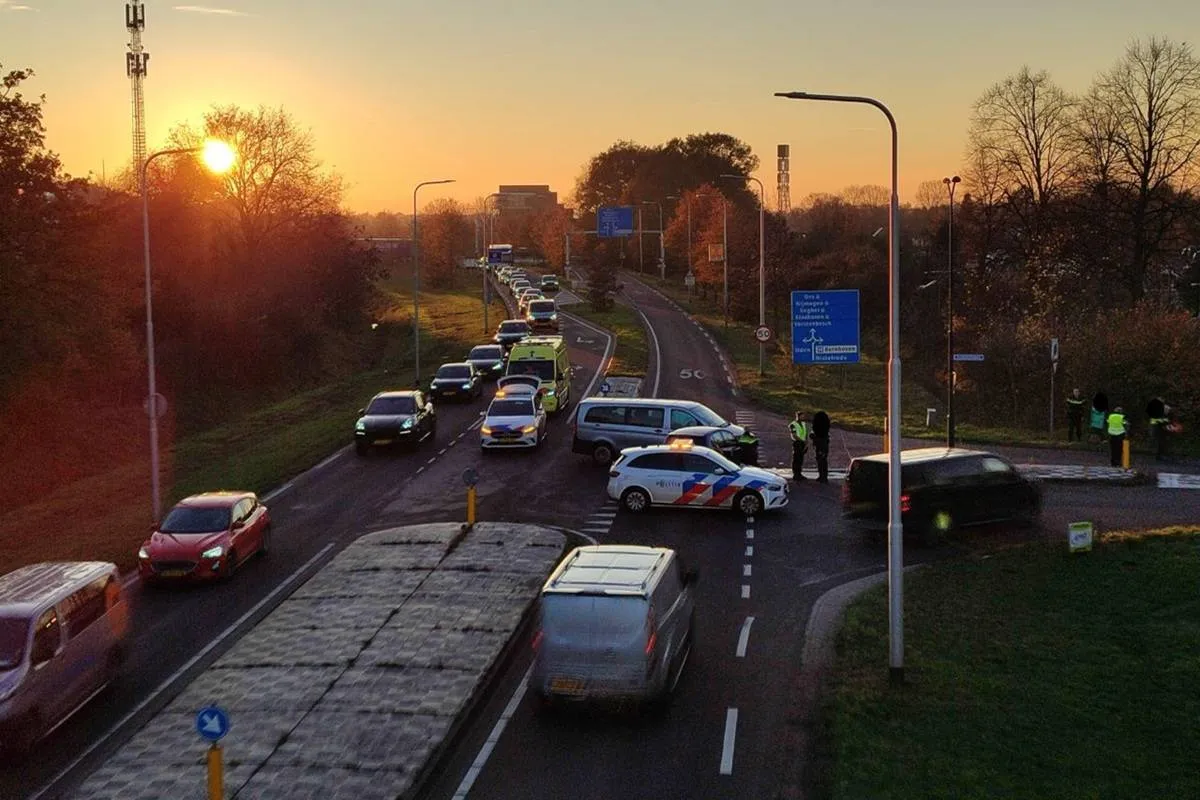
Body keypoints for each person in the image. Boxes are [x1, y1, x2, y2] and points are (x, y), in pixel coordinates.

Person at [811, 410, 831, 483]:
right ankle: (824, 476)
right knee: (824, 460)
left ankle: (821, 476)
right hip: (824, 445)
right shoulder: (826, 433)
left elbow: (814, 434)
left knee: (820, 460)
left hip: (819, 445)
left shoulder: (817, 433)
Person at [788, 412, 808, 481]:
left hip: (803, 443)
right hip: (797, 443)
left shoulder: (803, 424)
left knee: (801, 459)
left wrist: (806, 442)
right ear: (798, 416)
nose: (803, 417)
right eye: (802, 416)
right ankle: (795, 474)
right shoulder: (792, 424)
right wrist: (802, 440)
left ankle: (799, 473)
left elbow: (805, 433)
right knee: (796, 459)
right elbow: (794, 435)